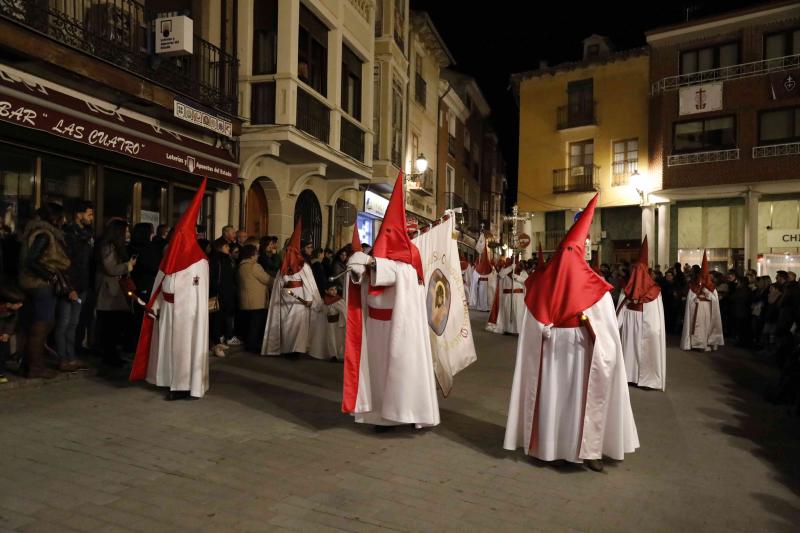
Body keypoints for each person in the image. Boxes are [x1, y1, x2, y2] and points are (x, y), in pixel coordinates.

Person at [504, 194, 639, 472]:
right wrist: (544, 329)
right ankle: (550, 445)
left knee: (580, 401)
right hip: (553, 352)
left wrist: (590, 330)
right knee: (556, 399)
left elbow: (607, 331)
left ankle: (589, 449)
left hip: (582, 354)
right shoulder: (544, 285)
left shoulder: (594, 289)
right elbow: (531, 325)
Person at [343, 173, 439, 429]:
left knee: (402, 371)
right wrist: (357, 268)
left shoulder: (411, 254)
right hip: (375, 326)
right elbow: (364, 280)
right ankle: (379, 417)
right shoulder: (377, 253)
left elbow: (404, 274)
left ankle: (406, 414)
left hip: (402, 324)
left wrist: (375, 263)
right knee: (377, 373)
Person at [130, 179, 210, 400]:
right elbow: (160, 282)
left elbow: (198, 293)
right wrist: (155, 305)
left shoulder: (200, 263)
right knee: (166, 349)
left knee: (184, 351)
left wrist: (186, 311)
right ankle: (168, 381)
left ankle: (184, 386)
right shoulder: (169, 257)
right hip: (168, 310)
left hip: (188, 316)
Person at [18, 203, 75, 378]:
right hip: (40, 285)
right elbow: (32, 261)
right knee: (42, 325)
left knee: (41, 324)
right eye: (62, 217)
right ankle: (36, 368)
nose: (64, 220)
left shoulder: (40, 233)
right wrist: (51, 276)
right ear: (55, 218)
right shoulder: (44, 234)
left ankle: (30, 365)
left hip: (37, 284)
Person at [261, 221, 324, 358]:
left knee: (294, 324)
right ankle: (290, 349)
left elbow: (308, 283)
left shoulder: (299, 266)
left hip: (295, 300)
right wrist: (311, 298)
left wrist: (309, 298)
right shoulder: (290, 267)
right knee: (290, 323)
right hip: (291, 299)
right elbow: (283, 284)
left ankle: (294, 349)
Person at [616, 237, 666, 390]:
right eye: (634, 270)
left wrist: (653, 329)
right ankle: (630, 375)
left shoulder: (654, 291)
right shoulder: (627, 287)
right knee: (629, 348)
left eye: (640, 270)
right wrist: (617, 324)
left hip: (645, 322)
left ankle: (646, 378)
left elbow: (656, 315)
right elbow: (622, 306)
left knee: (643, 348)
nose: (636, 274)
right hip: (630, 320)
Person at [55, 201, 93, 372]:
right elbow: (65, 264)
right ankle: (63, 358)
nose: (91, 218)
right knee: (64, 323)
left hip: (81, 286)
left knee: (73, 323)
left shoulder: (85, 234)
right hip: (70, 286)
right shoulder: (69, 234)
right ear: (79, 214)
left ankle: (71, 357)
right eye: (89, 214)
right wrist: (70, 288)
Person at [95, 219, 137, 367]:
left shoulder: (116, 247)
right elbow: (110, 268)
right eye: (125, 231)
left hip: (115, 290)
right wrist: (128, 266)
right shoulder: (109, 247)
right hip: (109, 290)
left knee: (114, 326)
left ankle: (112, 356)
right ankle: (109, 357)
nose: (128, 234)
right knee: (110, 326)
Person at [681, 251, 724, 352]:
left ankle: (704, 344)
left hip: (707, 310)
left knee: (706, 326)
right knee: (695, 325)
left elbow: (715, 300)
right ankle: (695, 343)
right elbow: (690, 298)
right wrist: (694, 299)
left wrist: (707, 293)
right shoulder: (694, 286)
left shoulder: (712, 288)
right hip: (696, 308)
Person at [208, 240, 241, 356]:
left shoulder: (223, 259)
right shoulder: (219, 259)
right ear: (220, 247)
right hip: (220, 293)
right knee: (216, 318)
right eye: (226, 246)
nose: (228, 248)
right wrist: (218, 290)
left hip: (224, 293)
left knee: (220, 318)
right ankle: (216, 343)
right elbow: (217, 278)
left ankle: (218, 340)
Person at [237, 244, 271, 353]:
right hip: (257, 301)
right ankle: (253, 346)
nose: (258, 256)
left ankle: (249, 344)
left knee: (248, 324)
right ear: (252, 255)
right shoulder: (255, 266)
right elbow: (267, 279)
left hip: (244, 300)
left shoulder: (241, 266)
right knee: (256, 325)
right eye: (256, 254)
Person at [0, 280, 24, 384]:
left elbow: (11, 322)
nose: (21, 305)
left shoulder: (13, 311)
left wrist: (6, 333)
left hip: (2, 332)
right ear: (8, 304)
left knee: (4, 350)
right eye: (18, 304)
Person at [469, 233, 492, 311]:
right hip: (484, 283)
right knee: (482, 295)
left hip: (483, 283)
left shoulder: (479, 268)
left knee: (482, 295)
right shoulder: (487, 268)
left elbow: (474, 277)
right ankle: (481, 306)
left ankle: (482, 306)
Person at [323, 283, 345, 361]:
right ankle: (333, 355)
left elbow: (344, 311)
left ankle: (341, 355)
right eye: (332, 289)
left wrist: (344, 322)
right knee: (331, 339)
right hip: (329, 323)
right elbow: (319, 308)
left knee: (339, 340)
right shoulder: (325, 300)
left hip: (338, 324)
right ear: (326, 291)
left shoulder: (339, 300)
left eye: (335, 289)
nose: (334, 291)